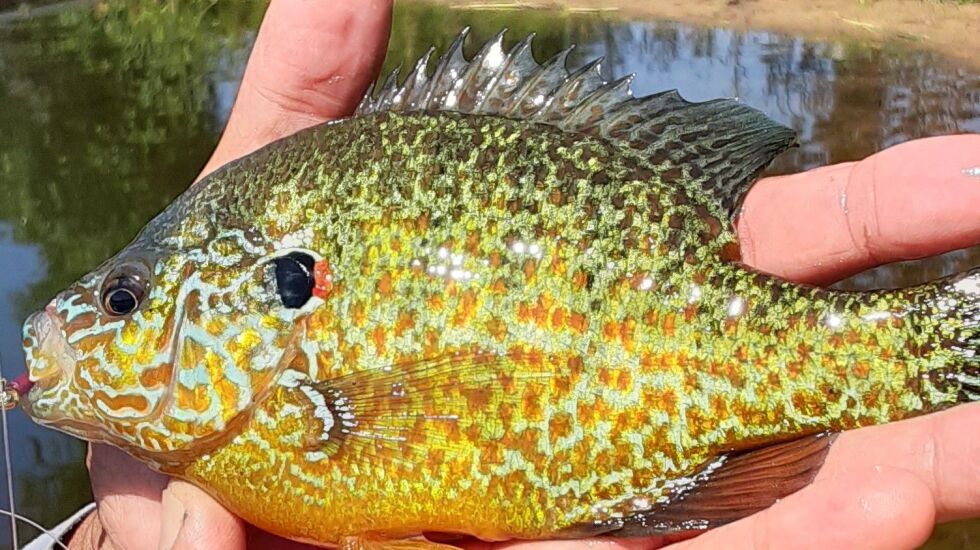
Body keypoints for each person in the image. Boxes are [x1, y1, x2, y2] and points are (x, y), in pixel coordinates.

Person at [28, 1, 980, 549]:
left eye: (126, 300)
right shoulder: (231, 447)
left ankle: (943, 345)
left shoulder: (262, 434)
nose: (79, 325)